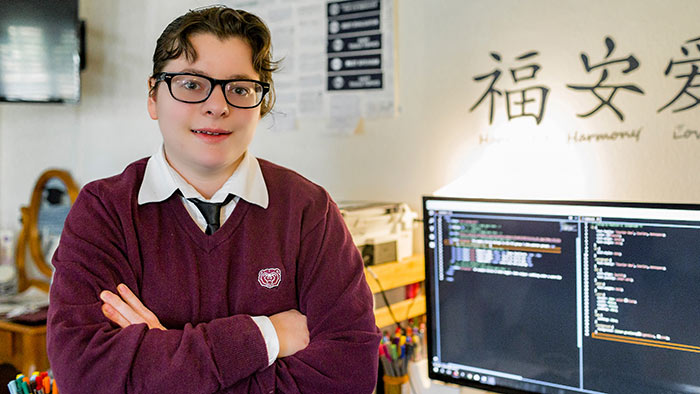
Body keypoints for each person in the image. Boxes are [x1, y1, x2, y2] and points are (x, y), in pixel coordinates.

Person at [46, 6, 380, 393]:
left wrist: (161, 359)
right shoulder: (104, 211)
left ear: (261, 104)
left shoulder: (308, 211)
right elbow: (85, 376)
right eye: (191, 84)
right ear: (153, 97)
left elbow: (349, 375)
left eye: (240, 89)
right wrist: (267, 335)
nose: (217, 106)